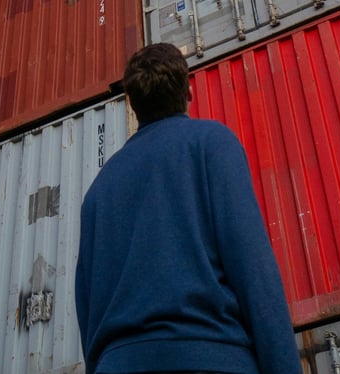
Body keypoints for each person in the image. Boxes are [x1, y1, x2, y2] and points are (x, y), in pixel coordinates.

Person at [74, 43, 301, 374]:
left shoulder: (98, 190)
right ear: (188, 91)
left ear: (133, 104)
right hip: (210, 358)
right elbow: (254, 271)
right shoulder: (212, 143)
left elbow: (87, 309)